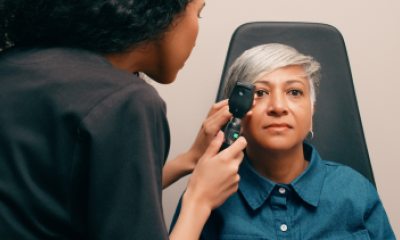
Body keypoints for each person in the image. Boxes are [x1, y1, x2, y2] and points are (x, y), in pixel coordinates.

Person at [0, 0, 247, 239]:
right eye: (198, 13)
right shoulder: (125, 100)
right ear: (159, 10)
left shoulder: (12, 67)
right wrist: (200, 198)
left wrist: (188, 160)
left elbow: (79, 195)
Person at [171, 43, 396, 239]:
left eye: (295, 92)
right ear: (235, 110)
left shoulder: (356, 192)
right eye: (259, 93)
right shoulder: (205, 192)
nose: (278, 107)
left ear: (311, 112)